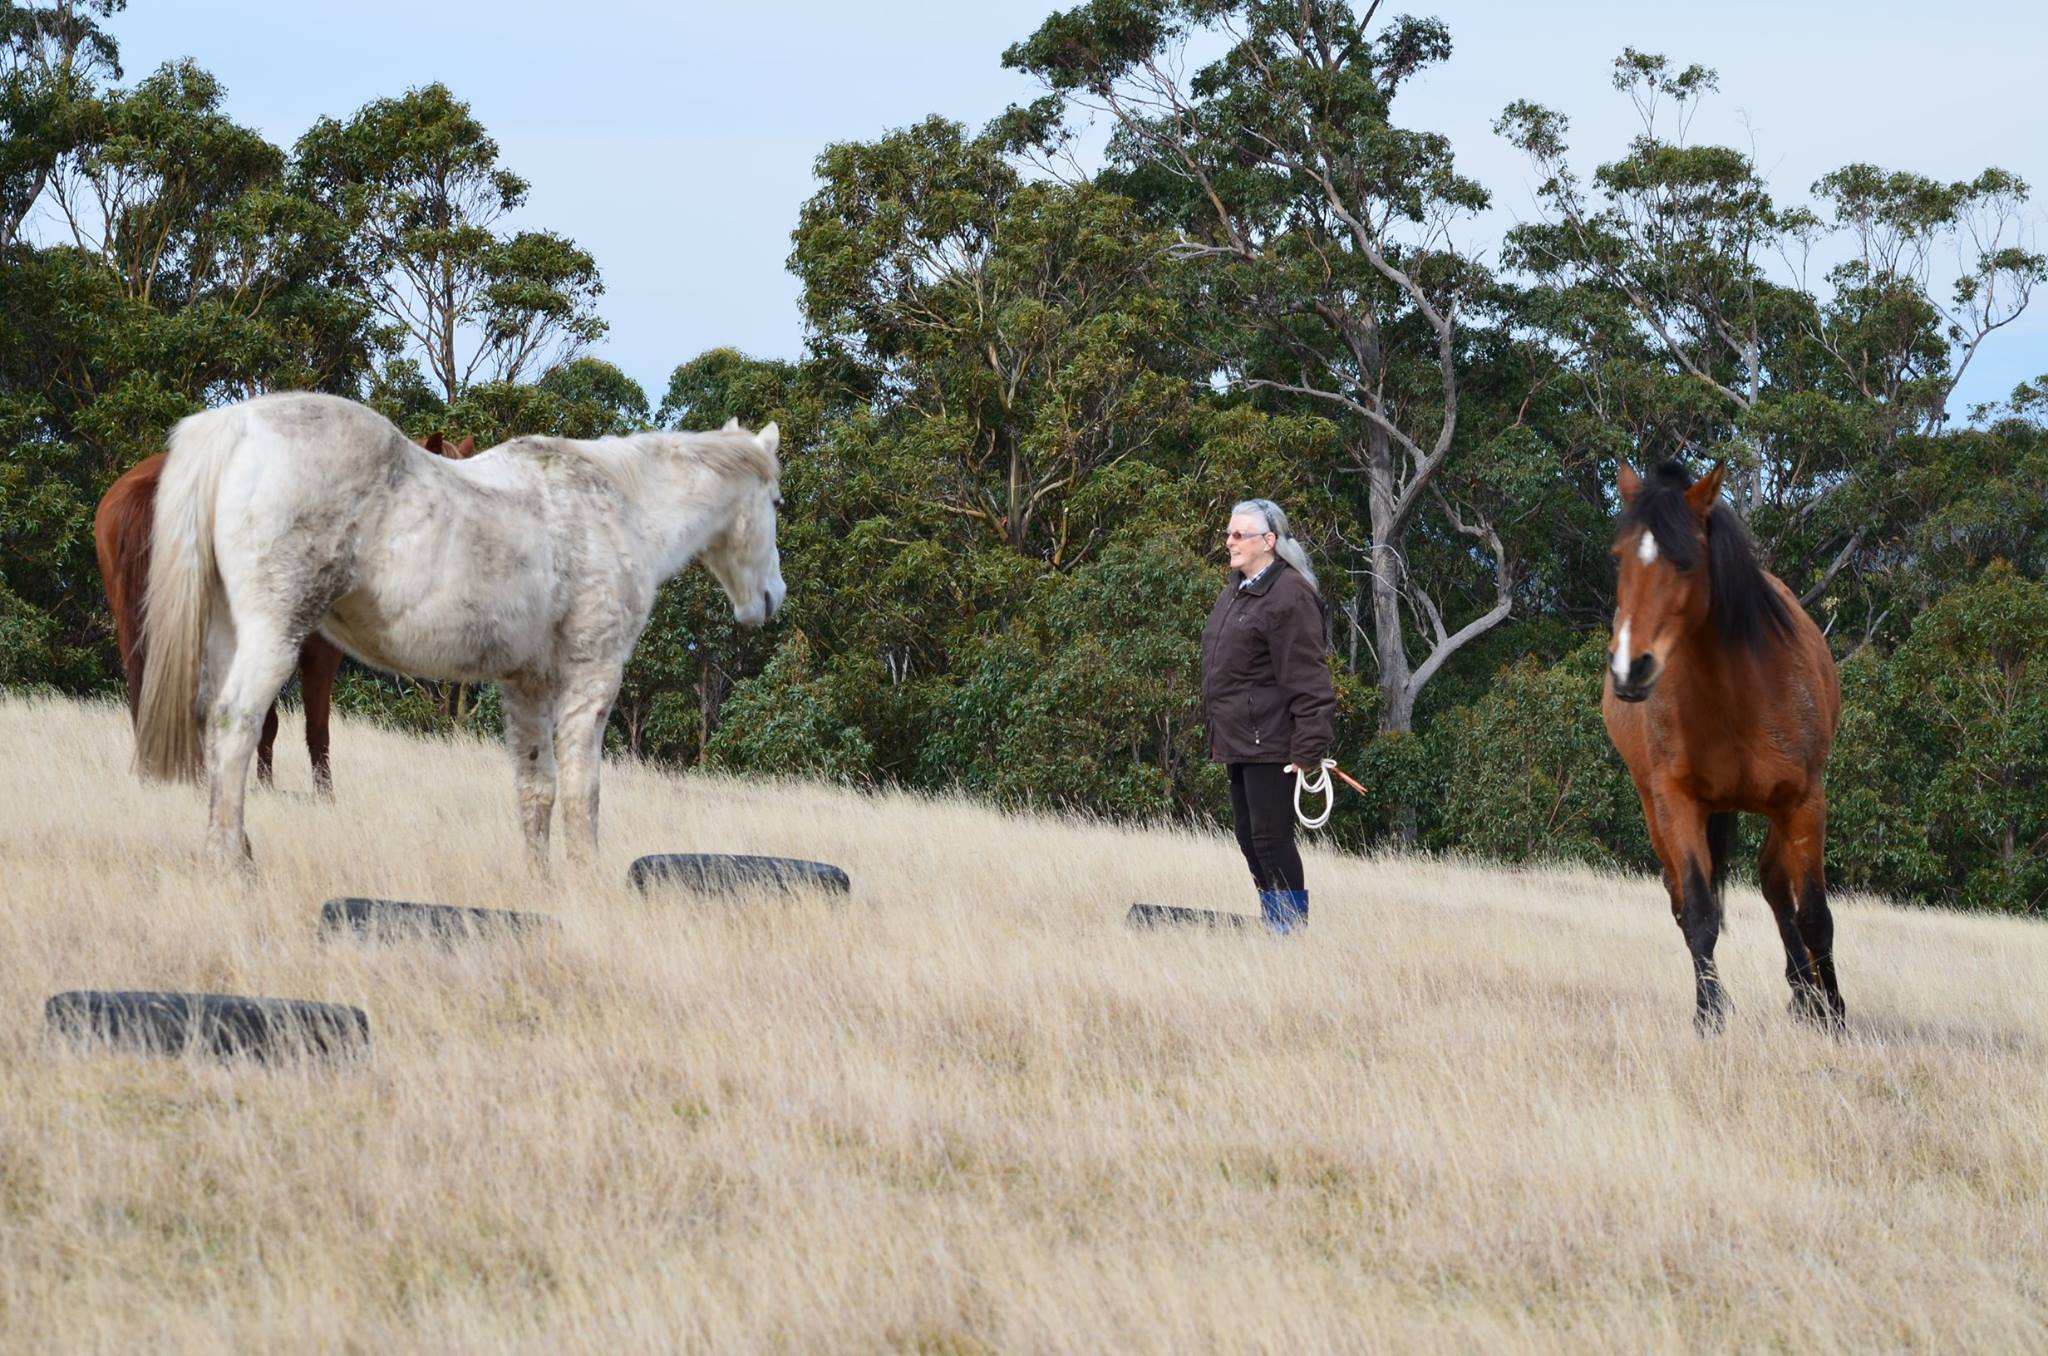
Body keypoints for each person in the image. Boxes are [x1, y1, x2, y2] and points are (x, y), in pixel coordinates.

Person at [1199, 498, 1337, 933]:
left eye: (1239, 535)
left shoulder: (1290, 594)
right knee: (1248, 837)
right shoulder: (1237, 589)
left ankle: (1289, 934)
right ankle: (1273, 924)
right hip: (1239, 739)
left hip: (1272, 743)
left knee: (1271, 840)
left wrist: (1309, 747)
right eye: (1228, 534)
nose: (1229, 542)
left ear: (1269, 541)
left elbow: (1309, 679)